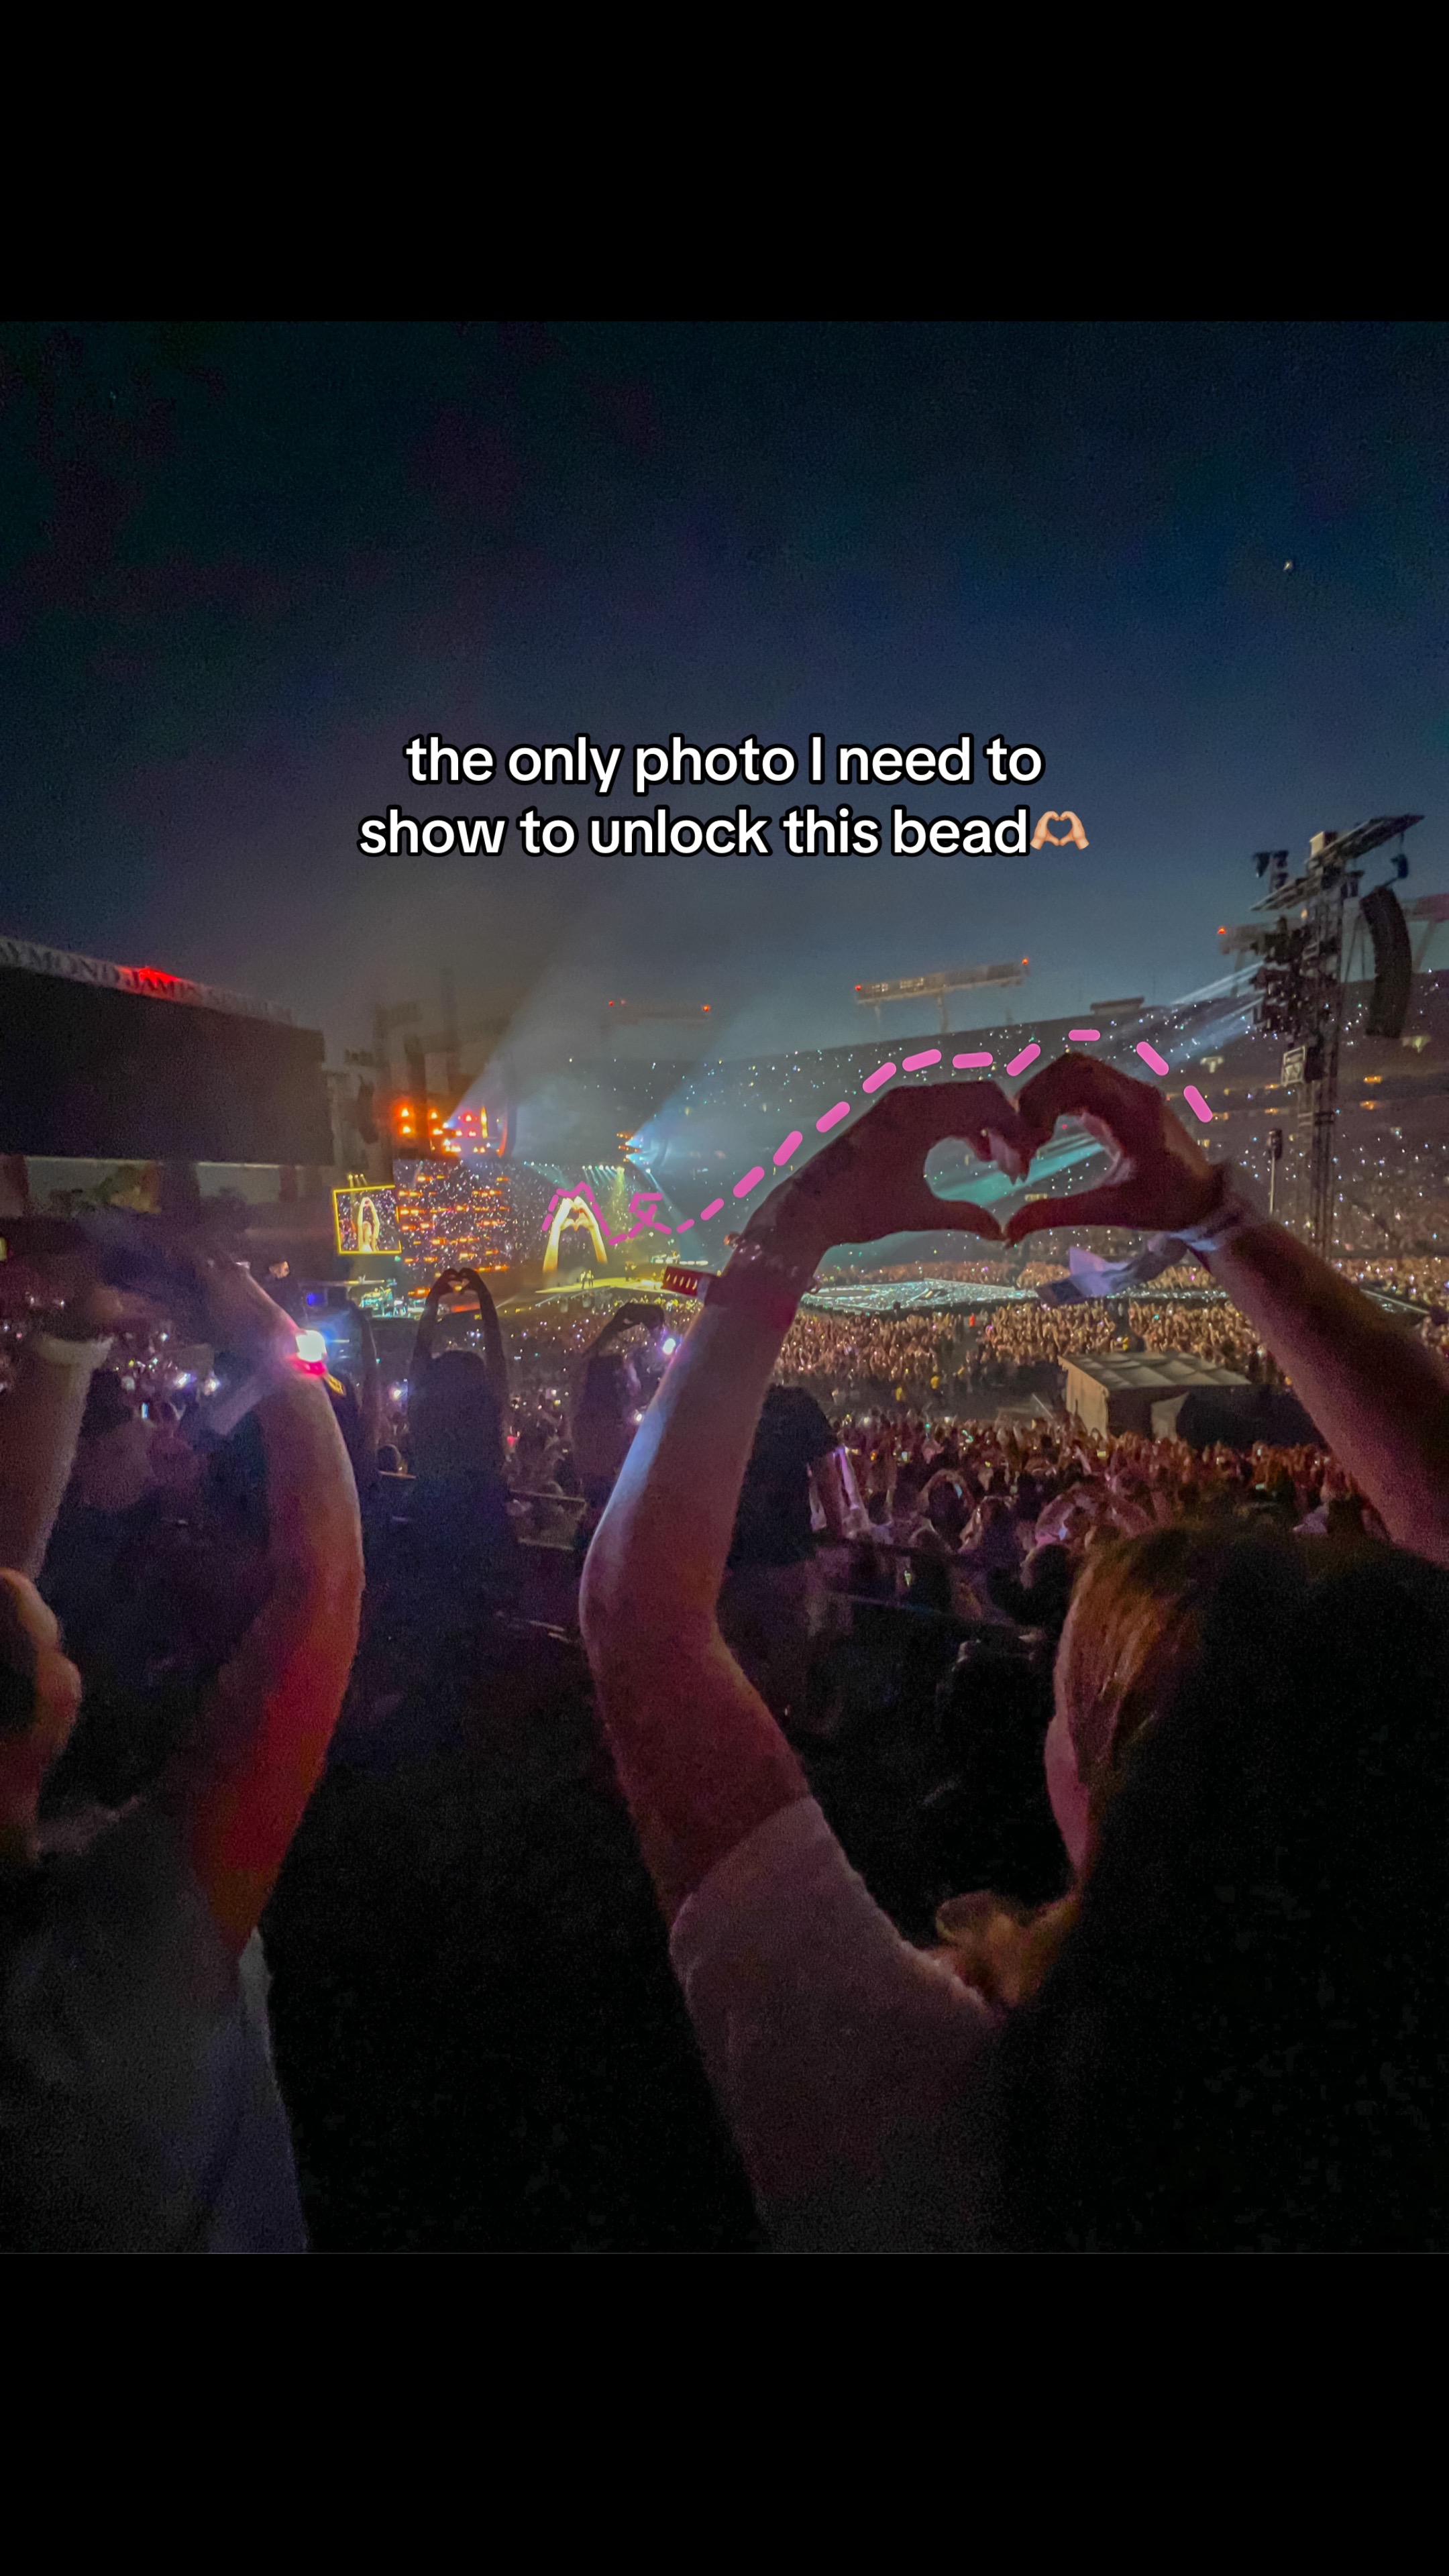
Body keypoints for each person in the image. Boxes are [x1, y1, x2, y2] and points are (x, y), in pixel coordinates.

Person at [579, 1056, 1449, 2249]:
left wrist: (795, 1229)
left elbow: (638, 1617)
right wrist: (1216, 1216)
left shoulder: (944, 2126)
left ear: (1098, 1796)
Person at [0, 1250, 363, 2251]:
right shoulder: (120, 1951)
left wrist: (70, 1338)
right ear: (46, 1712)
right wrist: (272, 1342)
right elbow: (321, 1593)